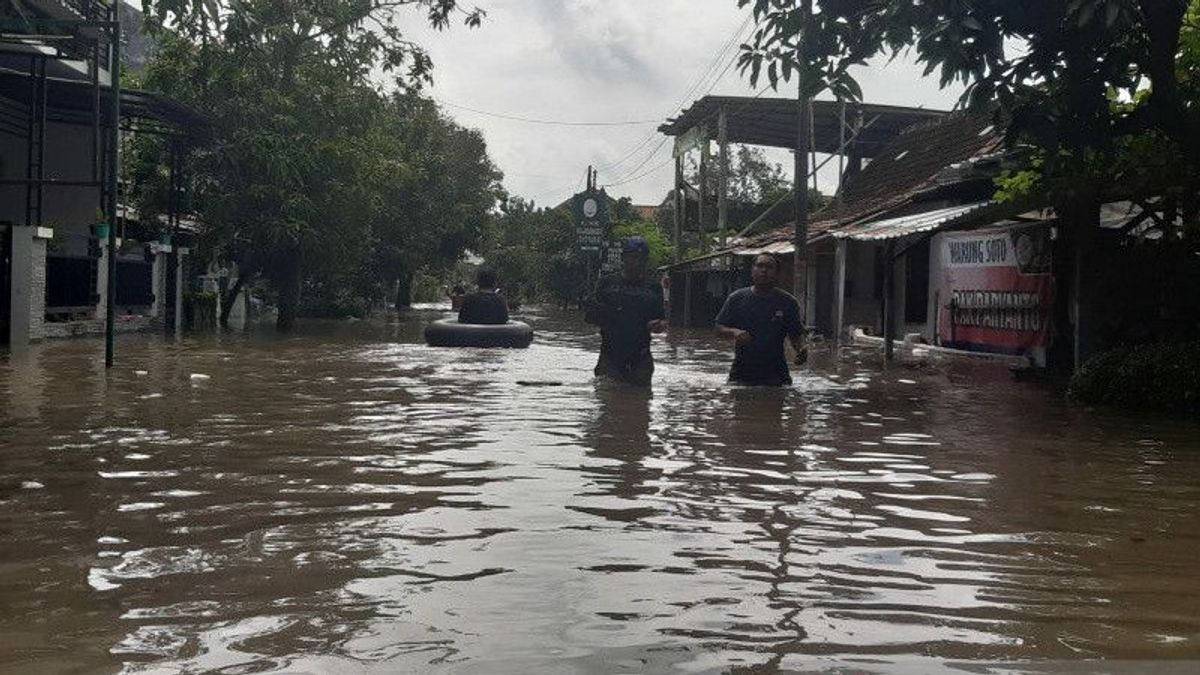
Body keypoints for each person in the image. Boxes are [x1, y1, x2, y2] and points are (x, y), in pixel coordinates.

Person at [584, 236, 667, 386]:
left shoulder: (653, 288)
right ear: (624, 258)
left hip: (640, 358)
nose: (638, 263)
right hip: (610, 357)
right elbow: (590, 316)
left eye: (642, 259)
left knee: (640, 403)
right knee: (607, 400)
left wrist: (658, 326)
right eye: (633, 258)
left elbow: (660, 320)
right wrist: (606, 318)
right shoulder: (607, 284)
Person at [715, 254, 807, 386]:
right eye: (760, 266)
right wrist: (734, 332)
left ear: (777, 273)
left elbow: (795, 335)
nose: (764, 270)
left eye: (769, 267)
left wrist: (801, 352)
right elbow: (718, 329)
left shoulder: (788, 302)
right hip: (741, 375)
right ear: (752, 270)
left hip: (777, 376)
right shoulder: (736, 299)